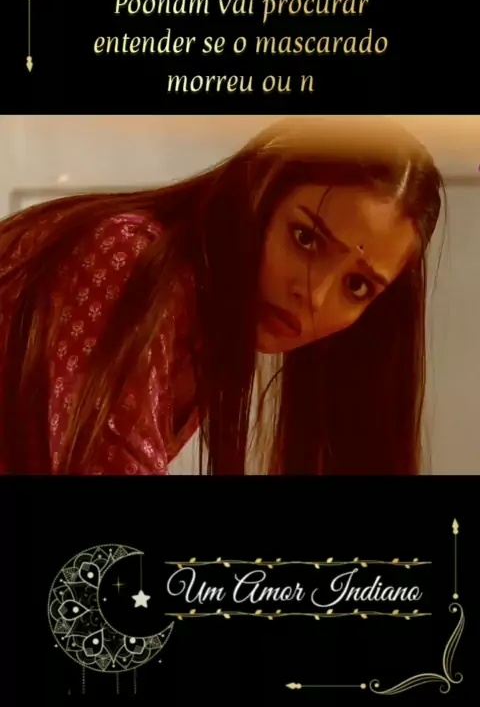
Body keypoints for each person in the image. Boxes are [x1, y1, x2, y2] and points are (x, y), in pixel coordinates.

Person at [0, 116, 444, 476]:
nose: (313, 294)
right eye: (306, 238)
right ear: (257, 191)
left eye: (357, 286)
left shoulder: (213, 325)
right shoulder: (129, 257)